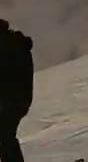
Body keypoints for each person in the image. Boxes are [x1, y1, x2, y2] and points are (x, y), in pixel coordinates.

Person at [0, 19, 33, 162]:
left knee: (5, 136)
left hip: (11, 101)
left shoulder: (8, 44)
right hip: (18, 100)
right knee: (6, 137)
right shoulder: (14, 42)